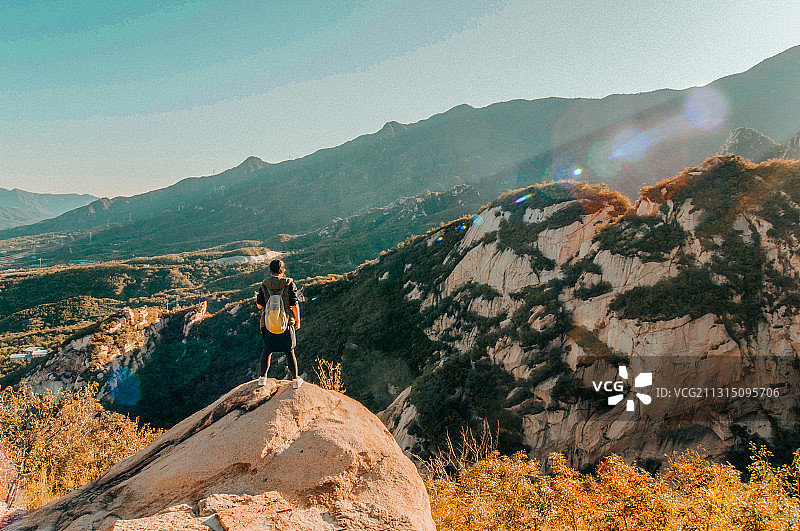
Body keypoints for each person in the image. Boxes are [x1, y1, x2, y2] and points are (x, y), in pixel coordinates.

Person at [256, 259, 302, 389]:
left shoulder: (264, 285)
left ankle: (262, 379)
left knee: (267, 351)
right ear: (283, 270)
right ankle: (295, 380)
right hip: (286, 323)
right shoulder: (289, 284)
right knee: (289, 351)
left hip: (268, 323)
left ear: (271, 271)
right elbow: (294, 305)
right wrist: (297, 321)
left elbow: (260, 305)